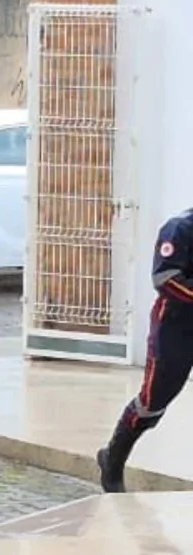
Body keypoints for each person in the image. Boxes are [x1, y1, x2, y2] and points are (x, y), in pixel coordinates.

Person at [98, 207, 193, 493]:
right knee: (152, 402)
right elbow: (165, 278)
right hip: (176, 326)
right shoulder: (179, 229)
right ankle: (112, 459)